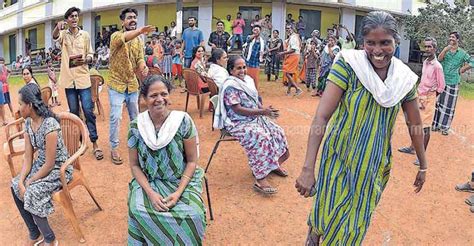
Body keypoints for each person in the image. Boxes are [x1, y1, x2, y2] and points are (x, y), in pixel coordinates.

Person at [295, 11, 427, 245]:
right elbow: (322, 117)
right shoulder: (349, 66)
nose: (378, 50)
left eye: (385, 42)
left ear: (396, 41)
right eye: (371, 43)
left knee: (353, 225)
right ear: (362, 42)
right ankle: (315, 231)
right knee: (328, 203)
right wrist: (307, 168)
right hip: (338, 155)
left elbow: (414, 123)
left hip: (373, 165)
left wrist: (423, 165)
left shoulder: (403, 79)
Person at [127, 75, 206, 244]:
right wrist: (151, 193)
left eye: (163, 94)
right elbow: (134, 166)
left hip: (181, 180)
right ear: (144, 99)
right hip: (150, 182)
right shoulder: (136, 126)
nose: (159, 99)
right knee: (138, 209)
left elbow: (192, 161)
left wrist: (178, 193)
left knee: (194, 214)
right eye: (153, 95)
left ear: (169, 95)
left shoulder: (182, 122)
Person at [214, 55, 290, 194]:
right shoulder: (230, 85)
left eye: (244, 67)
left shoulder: (248, 80)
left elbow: (255, 99)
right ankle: (260, 179)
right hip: (237, 122)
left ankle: (273, 164)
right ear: (231, 70)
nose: (242, 70)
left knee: (277, 131)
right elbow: (237, 109)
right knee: (261, 137)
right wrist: (262, 111)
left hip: (254, 117)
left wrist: (264, 110)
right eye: (238, 68)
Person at [11, 83, 72, 246]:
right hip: (41, 166)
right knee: (15, 184)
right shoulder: (28, 124)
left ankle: (50, 239)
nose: (18, 108)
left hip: (59, 169)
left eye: (20, 104)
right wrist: (23, 179)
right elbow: (28, 158)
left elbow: (50, 164)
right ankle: (34, 232)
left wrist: (29, 182)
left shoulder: (50, 125)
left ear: (29, 105)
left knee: (31, 192)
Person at [53, 7, 103, 161]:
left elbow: (91, 54)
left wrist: (86, 60)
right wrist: (57, 27)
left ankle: (95, 143)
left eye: (76, 16)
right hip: (69, 81)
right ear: (66, 20)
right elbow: (55, 37)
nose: (74, 18)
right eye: (71, 16)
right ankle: (81, 143)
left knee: (88, 111)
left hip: (83, 78)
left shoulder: (85, 35)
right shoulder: (63, 34)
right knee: (74, 113)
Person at [108, 8, 153, 164]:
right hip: (116, 84)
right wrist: (140, 30)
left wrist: (143, 67)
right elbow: (124, 38)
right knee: (116, 116)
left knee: (136, 117)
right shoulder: (116, 36)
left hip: (132, 85)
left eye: (134, 17)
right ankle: (114, 148)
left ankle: (138, 145)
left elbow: (140, 58)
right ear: (123, 21)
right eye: (129, 18)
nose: (132, 20)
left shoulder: (139, 41)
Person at [398, 37, 445, 164]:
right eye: (426, 46)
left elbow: (441, 86)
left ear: (435, 48)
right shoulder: (425, 62)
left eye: (430, 47)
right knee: (414, 122)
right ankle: (412, 148)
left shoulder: (437, 67)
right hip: (419, 96)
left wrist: (431, 97)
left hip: (429, 99)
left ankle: (421, 155)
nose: (428, 49)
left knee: (425, 128)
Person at [432, 31, 473, 135]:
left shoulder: (462, 53)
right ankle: (436, 125)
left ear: (457, 40)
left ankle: (445, 127)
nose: (451, 39)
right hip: (442, 81)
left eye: (453, 37)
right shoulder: (446, 50)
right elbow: (439, 59)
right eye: (450, 37)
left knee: (449, 106)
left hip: (453, 81)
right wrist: (445, 50)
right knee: (439, 103)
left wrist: (463, 68)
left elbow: (472, 61)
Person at [279, 24, 303, 96]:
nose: (288, 30)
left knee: (287, 72)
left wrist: (283, 53)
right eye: (286, 29)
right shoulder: (294, 37)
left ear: (293, 29)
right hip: (294, 55)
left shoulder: (293, 37)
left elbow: (293, 49)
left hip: (293, 55)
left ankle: (297, 88)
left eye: (289, 28)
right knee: (290, 73)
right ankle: (289, 91)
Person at [244, 25, 265, 90]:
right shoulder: (250, 37)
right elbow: (248, 40)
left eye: (257, 30)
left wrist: (263, 54)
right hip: (248, 59)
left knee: (255, 77)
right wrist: (254, 35)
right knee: (247, 76)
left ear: (260, 31)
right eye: (255, 30)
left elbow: (263, 49)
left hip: (256, 61)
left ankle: (254, 90)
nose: (256, 31)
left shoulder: (262, 40)